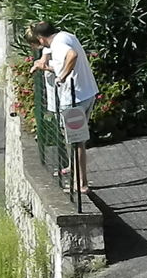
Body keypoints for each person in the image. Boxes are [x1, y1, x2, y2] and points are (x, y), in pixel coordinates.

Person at [26, 21, 99, 193]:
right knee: (76, 140)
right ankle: (77, 176)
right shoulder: (66, 36)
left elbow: (72, 56)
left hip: (73, 99)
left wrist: (62, 77)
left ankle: (81, 184)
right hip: (87, 93)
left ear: (40, 38)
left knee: (75, 141)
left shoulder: (58, 44)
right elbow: (60, 59)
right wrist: (49, 67)